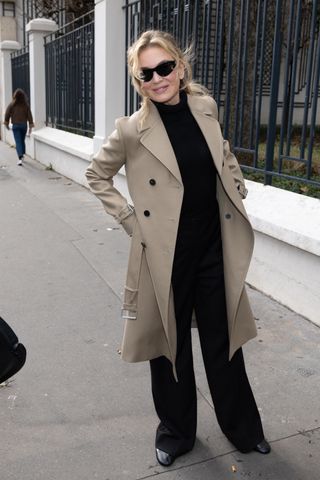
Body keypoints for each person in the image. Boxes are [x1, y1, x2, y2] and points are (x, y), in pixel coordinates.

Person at [86, 30, 271, 467]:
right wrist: (132, 222)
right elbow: (96, 174)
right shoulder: (131, 130)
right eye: (146, 73)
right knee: (168, 348)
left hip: (212, 247)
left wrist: (236, 181)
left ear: (180, 67)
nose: (158, 78)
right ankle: (175, 433)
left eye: (164, 67)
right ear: (139, 82)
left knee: (223, 341)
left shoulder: (205, 108)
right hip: (164, 255)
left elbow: (221, 153)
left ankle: (243, 428)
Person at [4, 88, 34, 166]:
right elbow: (29, 115)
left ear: (15, 96)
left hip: (16, 126)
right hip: (24, 125)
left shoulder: (12, 104)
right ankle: (22, 154)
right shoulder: (26, 105)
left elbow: (7, 114)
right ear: (23, 96)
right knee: (22, 140)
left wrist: (6, 124)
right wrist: (30, 126)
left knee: (18, 141)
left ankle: (20, 157)